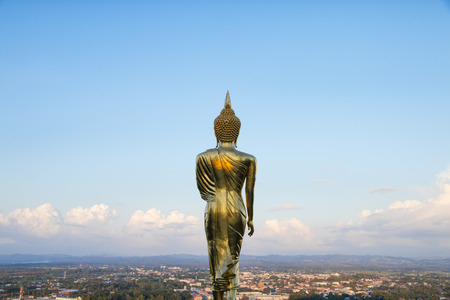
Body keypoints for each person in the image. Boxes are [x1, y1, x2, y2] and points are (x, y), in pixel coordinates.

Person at [196, 91, 257, 300]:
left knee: (216, 258)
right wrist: (251, 218)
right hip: (237, 209)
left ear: (217, 132)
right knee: (232, 258)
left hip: (214, 208)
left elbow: (204, 190)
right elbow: (249, 191)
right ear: (237, 133)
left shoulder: (203, 158)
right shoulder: (249, 159)